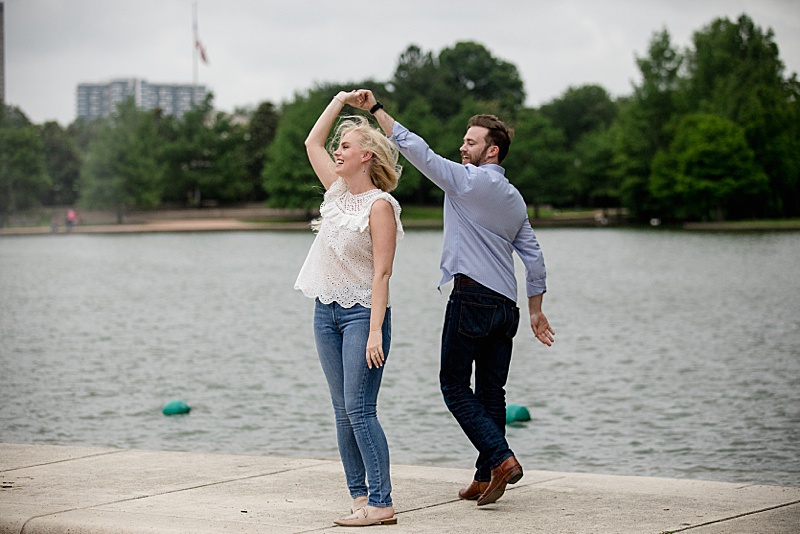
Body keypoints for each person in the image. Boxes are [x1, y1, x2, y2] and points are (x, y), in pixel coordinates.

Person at [353, 89, 555, 507]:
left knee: (453, 386)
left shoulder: (466, 182)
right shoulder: (514, 198)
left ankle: (501, 460)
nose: (462, 147)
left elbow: (416, 149)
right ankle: (485, 476)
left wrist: (375, 111)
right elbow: (533, 256)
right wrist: (536, 310)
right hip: (506, 307)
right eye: (463, 141)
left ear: (492, 150)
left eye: (471, 142)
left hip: (472, 298)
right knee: (492, 393)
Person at [294, 90, 403, 526]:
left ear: (366, 158)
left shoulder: (380, 207)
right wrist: (339, 101)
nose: (337, 151)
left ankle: (382, 503)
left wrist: (376, 331)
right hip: (326, 313)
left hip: (363, 316)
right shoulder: (337, 192)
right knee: (341, 409)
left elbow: (382, 275)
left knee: (361, 409)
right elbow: (311, 143)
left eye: (346, 146)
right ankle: (359, 496)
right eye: (339, 146)